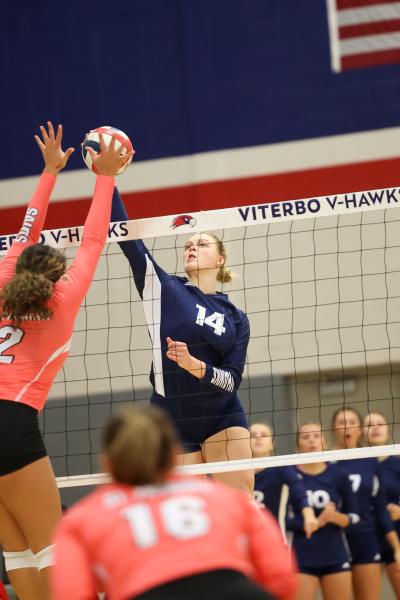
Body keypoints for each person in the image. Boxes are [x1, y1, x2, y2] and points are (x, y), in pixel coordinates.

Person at [0, 122, 132, 600]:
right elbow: (95, 240)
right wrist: (106, 177)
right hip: (12, 421)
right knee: (52, 545)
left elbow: (24, 229)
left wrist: (49, 172)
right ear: (57, 272)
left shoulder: (2, 279)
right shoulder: (62, 298)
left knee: (15, 551)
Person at [52, 404, 298, 600]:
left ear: (107, 464)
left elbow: (72, 594)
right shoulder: (226, 499)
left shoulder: (82, 519)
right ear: (173, 455)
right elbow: (281, 578)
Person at [110, 188, 253, 493]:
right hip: (171, 417)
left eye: (201, 244)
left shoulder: (236, 318)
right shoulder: (163, 288)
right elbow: (128, 239)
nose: (191, 248)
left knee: (243, 505)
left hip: (222, 415)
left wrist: (194, 365)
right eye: (187, 244)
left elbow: (232, 380)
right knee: (186, 513)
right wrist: (106, 178)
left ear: (220, 259)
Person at [331, 408, 400, 600]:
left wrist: (396, 545)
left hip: (375, 536)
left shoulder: (375, 463)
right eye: (341, 422)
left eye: (352, 421)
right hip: (341, 538)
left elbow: (380, 506)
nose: (347, 426)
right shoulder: (326, 461)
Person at [286, 422, 358, 600]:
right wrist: (315, 522)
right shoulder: (288, 475)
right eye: (305, 437)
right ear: (297, 445)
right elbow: (281, 520)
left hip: (335, 555)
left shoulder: (338, 474)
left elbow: (355, 517)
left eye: (316, 436)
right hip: (300, 557)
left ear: (324, 442)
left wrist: (333, 517)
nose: (312, 440)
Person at [250, 422, 318, 538]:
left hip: (275, 538)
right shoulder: (237, 472)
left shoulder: (281, 468)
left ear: (272, 444)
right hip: (245, 540)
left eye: (264, 435)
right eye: (252, 435)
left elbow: (298, 489)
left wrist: (309, 513)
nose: (258, 438)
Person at [363, 411, 400, 599]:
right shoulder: (358, 466)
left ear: (387, 429)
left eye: (380, 423)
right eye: (369, 424)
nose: (375, 427)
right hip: (369, 537)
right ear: (362, 432)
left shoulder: (397, 463)